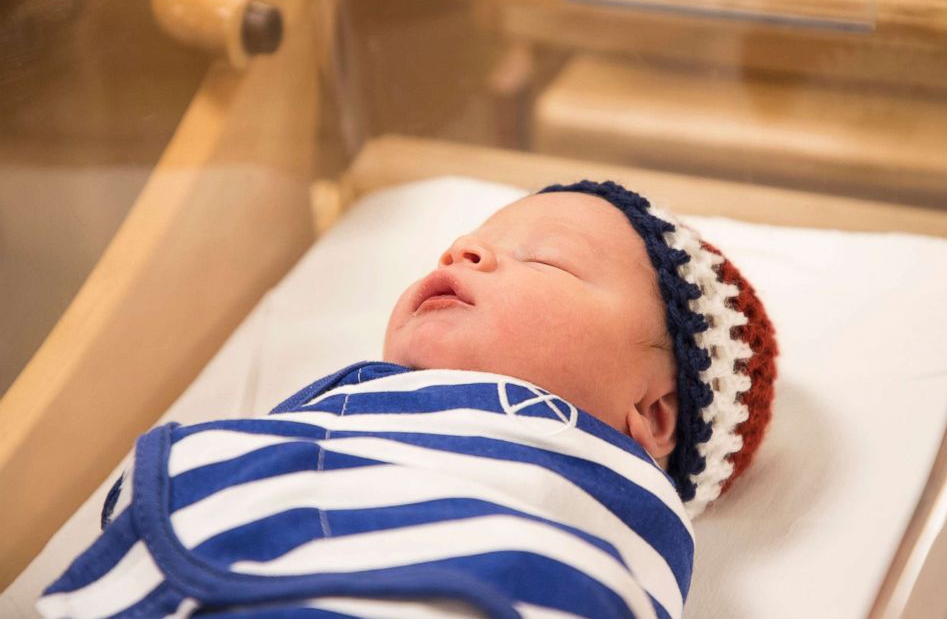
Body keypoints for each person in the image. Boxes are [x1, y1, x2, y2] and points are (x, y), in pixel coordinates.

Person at [38, 181, 777, 619]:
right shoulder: (347, 409)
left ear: (651, 415)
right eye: (464, 244)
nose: (464, 251)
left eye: (545, 257)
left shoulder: (596, 490)